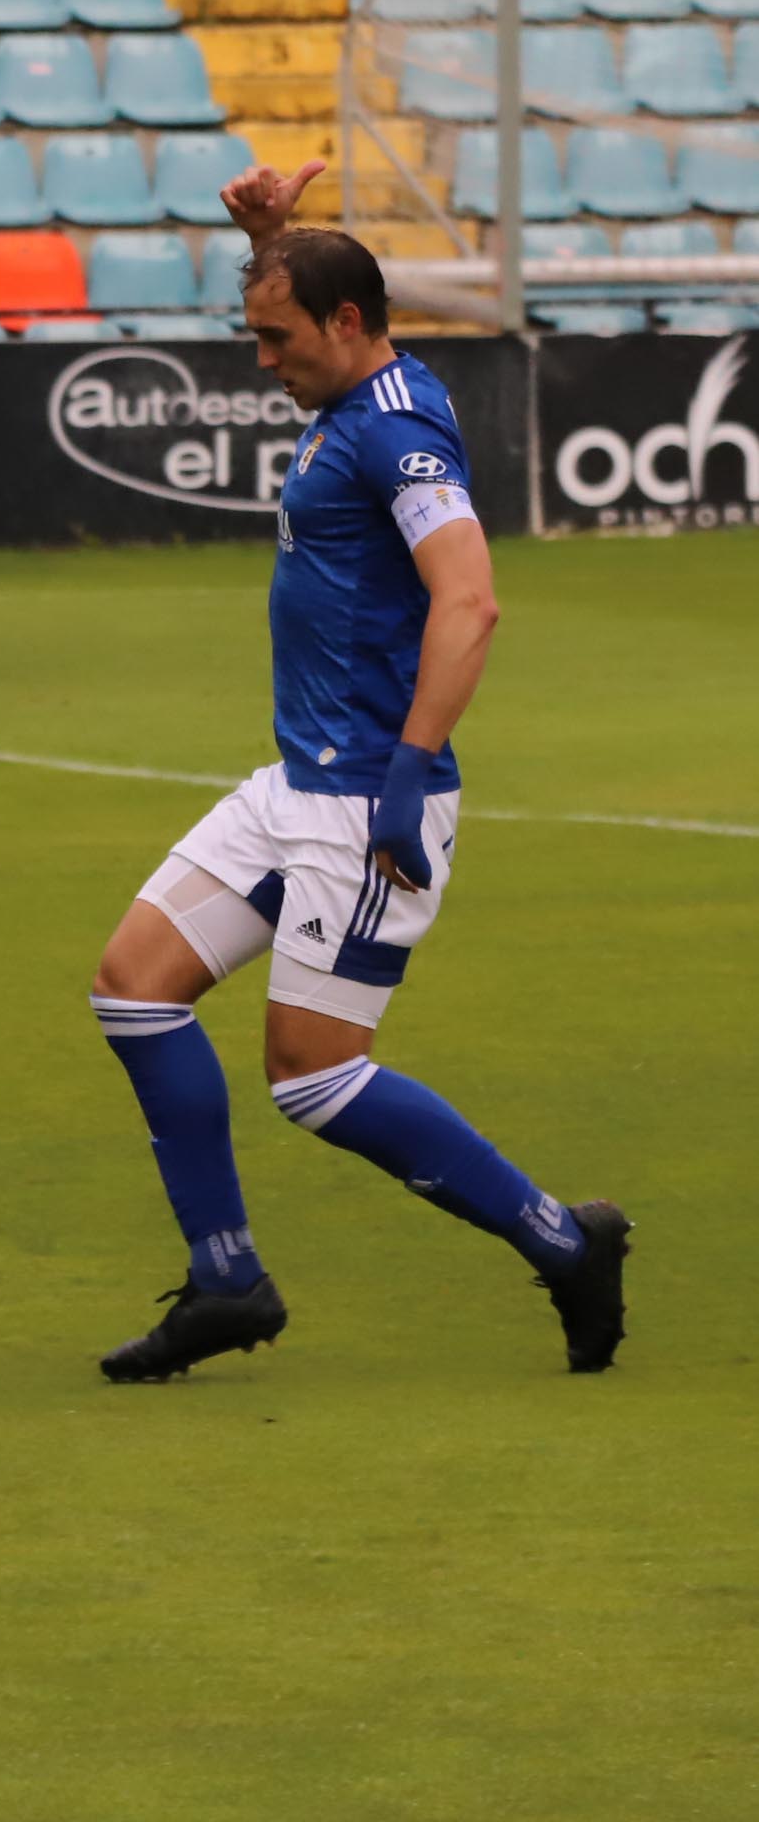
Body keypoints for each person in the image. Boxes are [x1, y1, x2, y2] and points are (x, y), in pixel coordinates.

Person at [87, 160, 630, 1382]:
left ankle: (562, 1242)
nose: (260, 360)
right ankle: (226, 1278)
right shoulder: (375, 371)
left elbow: (471, 599)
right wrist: (279, 238)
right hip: (297, 782)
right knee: (133, 987)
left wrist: (411, 766)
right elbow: (333, 300)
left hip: (367, 807)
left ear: (342, 326)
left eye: (276, 336)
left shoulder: (393, 430)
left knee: (314, 1076)